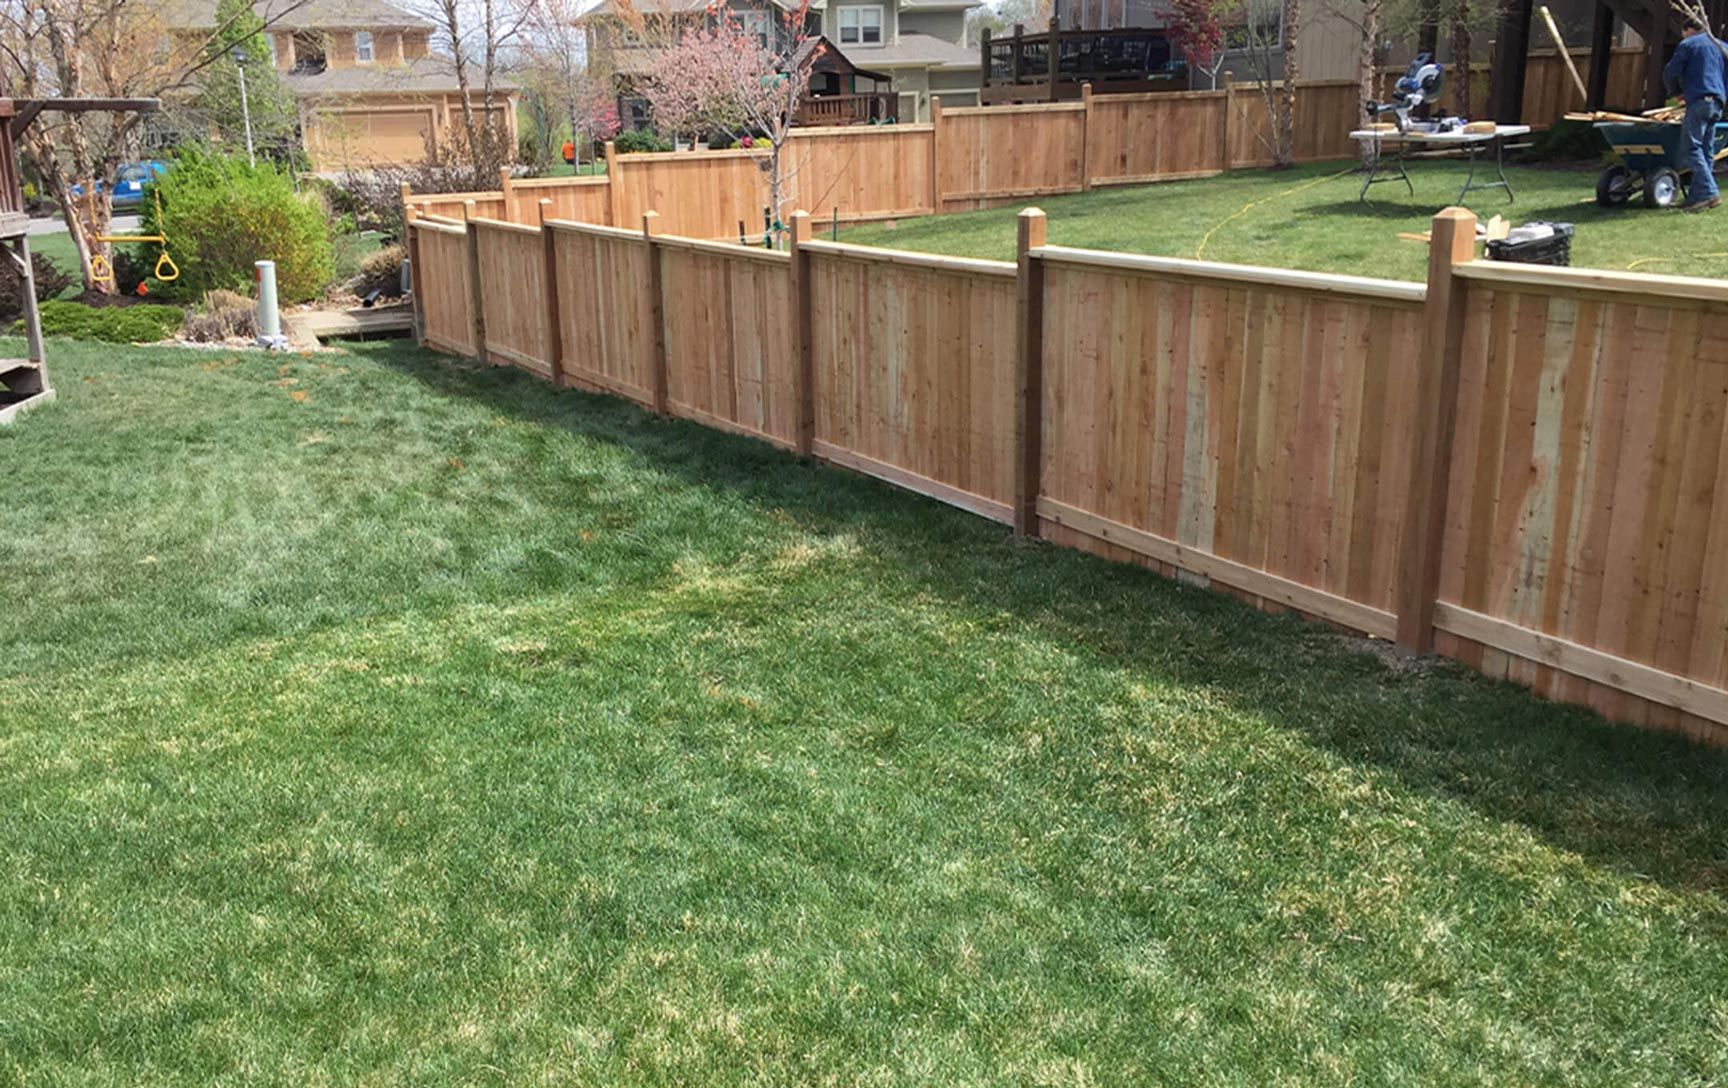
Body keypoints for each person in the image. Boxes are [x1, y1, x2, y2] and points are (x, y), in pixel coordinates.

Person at [1664, 16, 1726, 212]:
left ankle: (1709, 192)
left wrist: (1676, 92)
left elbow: (1671, 71)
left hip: (1699, 100)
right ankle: (1696, 197)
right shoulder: (1721, 45)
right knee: (1706, 150)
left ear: (1688, 30)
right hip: (1717, 102)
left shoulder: (1689, 44)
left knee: (1692, 147)